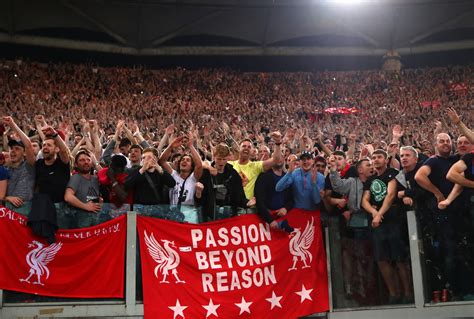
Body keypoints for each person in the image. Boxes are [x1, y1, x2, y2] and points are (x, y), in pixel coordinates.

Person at [415, 133, 461, 300]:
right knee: (448, 252)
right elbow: (419, 176)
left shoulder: (457, 159)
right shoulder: (433, 160)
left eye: (448, 141)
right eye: (441, 141)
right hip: (443, 214)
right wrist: (437, 193)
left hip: (459, 211)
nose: (445, 144)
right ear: (435, 144)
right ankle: (449, 289)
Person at [362, 149, 410, 304]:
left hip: (394, 220)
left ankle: (408, 293)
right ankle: (393, 293)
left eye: (379, 157)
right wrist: (374, 213)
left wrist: (378, 214)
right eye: (373, 158)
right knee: (382, 259)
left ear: (386, 159)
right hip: (378, 223)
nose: (375, 160)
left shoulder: (392, 172)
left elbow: (390, 196)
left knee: (399, 258)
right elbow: (365, 201)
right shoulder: (370, 180)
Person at [197, 144, 253, 221]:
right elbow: (199, 200)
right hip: (210, 216)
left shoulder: (233, 174)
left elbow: (239, 195)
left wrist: (247, 203)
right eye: (219, 159)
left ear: (228, 158)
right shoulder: (206, 173)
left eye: (224, 159)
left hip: (229, 216)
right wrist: (198, 192)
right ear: (214, 157)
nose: (221, 162)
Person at [35, 126, 72, 228]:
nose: (45, 147)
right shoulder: (39, 164)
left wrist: (55, 134)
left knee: (61, 239)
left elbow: (64, 151)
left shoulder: (62, 163)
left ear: (56, 149)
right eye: (44, 145)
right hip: (43, 208)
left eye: (49, 145)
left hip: (60, 209)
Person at [229, 132, 283, 201]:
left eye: (249, 147)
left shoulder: (255, 166)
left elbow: (276, 160)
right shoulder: (230, 165)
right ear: (239, 148)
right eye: (244, 146)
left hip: (249, 208)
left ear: (251, 151)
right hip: (231, 206)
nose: (246, 148)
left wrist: (278, 143)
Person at [125, 147, 176, 218]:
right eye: (143, 158)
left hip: (157, 211)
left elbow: (172, 183)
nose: (145, 160)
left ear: (155, 159)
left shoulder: (160, 172)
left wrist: (158, 168)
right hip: (139, 211)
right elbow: (126, 186)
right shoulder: (135, 170)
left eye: (149, 157)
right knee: (134, 229)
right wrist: (142, 170)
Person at [2, 116, 36, 216]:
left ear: (24, 153)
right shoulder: (5, 170)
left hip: (26, 210)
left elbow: (28, 145)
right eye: (11, 148)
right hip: (7, 210)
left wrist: (12, 125)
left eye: (17, 148)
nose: (13, 151)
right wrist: (7, 198)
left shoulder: (29, 166)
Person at [159, 134, 203, 208]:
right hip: (173, 214)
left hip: (189, 215)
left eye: (188, 160)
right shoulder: (174, 175)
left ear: (192, 166)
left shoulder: (193, 177)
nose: (184, 161)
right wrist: (171, 146)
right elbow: (162, 161)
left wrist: (191, 146)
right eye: (182, 160)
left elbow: (199, 165)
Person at [255, 153, 294, 232]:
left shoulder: (288, 177)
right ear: (272, 159)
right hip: (266, 221)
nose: (279, 159)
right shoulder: (263, 176)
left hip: (284, 219)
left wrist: (285, 208)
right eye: (276, 157)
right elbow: (259, 200)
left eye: (281, 157)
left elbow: (292, 199)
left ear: (284, 159)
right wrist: (270, 220)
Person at [64, 150, 102, 228]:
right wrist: (86, 206)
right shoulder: (76, 178)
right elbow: (68, 197)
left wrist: (95, 162)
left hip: (94, 219)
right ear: (76, 165)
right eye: (82, 160)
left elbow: (106, 176)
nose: (86, 162)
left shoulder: (95, 178)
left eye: (88, 160)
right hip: (80, 221)